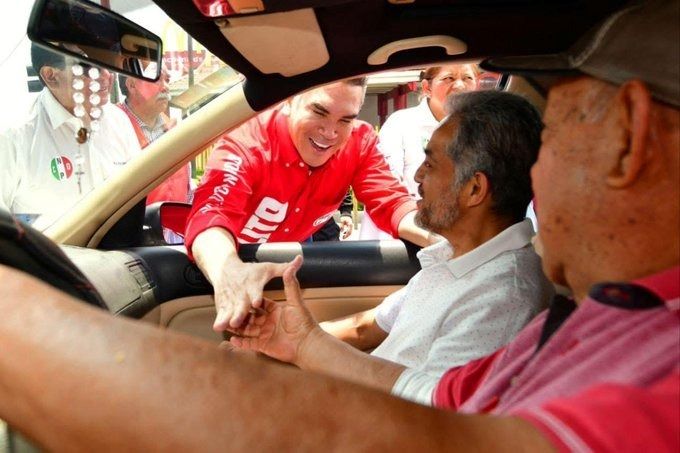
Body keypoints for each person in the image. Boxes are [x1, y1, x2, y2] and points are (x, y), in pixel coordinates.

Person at [0, 1, 677, 450]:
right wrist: (296, 338)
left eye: (551, 134)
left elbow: (435, 436)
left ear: (632, 138)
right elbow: (433, 396)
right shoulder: (597, 319)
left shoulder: (650, 370)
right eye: (318, 113)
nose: (533, 178)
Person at [230, 90, 554, 405]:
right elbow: (367, 327)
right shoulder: (454, 259)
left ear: (474, 189)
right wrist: (284, 337)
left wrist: (306, 346)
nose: (416, 176)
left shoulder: (503, 298)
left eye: (430, 163)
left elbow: (438, 418)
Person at [186, 78, 435, 330]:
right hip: (230, 274)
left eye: (345, 120)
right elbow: (212, 213)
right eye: (319, 112)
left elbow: (393, 204)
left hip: (290, 271)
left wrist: (445, 238)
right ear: (290, 100)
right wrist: (228, 271)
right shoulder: (248, 138)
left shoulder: (360, 141)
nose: (330, 132)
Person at [0, 45, 141, 227]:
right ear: (51, 76)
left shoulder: (118, 120)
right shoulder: (14, 138)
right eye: (89, 66)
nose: (107, 75)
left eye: (107, 62)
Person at [360, 64, 478, 240]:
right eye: (449, 78)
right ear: (426, 87)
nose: (460, 86)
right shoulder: (401, 123)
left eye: (467, 78)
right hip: (408, 230)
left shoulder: (480, 129)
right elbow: (389, 182)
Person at [118, 70, 193, 204]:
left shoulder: (172, 127)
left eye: (167, 80)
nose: (165, 87)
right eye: (157, 79)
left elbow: (188, 190)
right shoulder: (112, 127)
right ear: (131, 85)